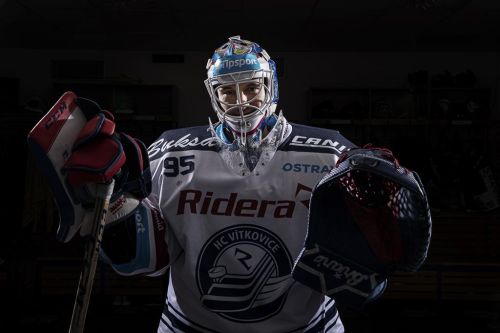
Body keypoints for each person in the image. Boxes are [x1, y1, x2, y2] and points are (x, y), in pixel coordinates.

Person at [29, 36, 431, 333]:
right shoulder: (169, 153)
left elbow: (363, 262)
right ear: (213, 94)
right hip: (190, 326)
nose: (240, 100)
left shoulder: (329, 155)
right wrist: (112, 201)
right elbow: (144, 261)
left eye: (251, 87)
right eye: (227, 90)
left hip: (308, 327)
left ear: (270, 85)